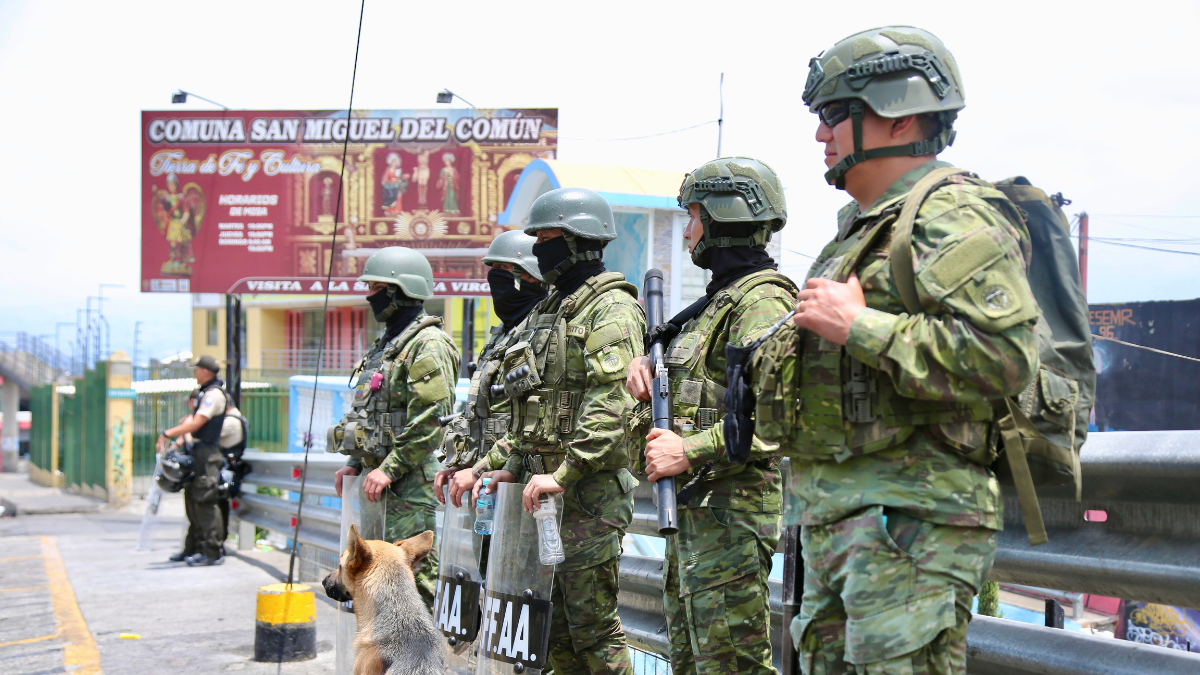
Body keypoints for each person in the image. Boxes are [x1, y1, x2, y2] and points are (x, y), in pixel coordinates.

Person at [768, 26, 1039, 674]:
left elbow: (1004, 355)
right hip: (840, 522)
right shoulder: (862, 230)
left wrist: (861, 326)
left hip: (910, 526)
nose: (820, 135)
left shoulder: (953, 212)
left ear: (900, 116)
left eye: (835, 114)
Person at [626, 157, 795, 675]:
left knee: (732, 668)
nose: (688, 235)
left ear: (723, 216)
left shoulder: (762, 302)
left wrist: (689, 450)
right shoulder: (712, 306)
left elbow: (777, 417)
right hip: (699, 520)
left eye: (694, 219)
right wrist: (645, 382)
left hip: (730, 521)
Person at [474, 187, 642, 674]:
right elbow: (531, 407)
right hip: (544, 494)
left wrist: (564, 473)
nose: (538, 248)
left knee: (593, 631)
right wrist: (510, 466)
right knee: (555, 636)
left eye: (546, 238)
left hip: (587, 496)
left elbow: (611, 401)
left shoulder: (610, 307)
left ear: (577, 241)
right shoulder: (550, 310)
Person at [330, 246, 459, 609]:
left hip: (407, 488)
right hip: (377, 485)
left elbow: (432, 419)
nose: (369, 294)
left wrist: (389, 468)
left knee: (413, 589)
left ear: (398, 291)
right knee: (375, 587)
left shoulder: (427, 344)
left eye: (375, 286)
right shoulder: (386, 346)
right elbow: (369, 412)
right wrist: (356, 463)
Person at [434, 229, 548, 509]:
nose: (495, 278)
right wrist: (464, 463)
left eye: (504, 269)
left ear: (530, 275)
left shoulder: (541, 333)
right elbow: (483, 412)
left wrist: (480, 469)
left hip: (517, 483)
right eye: (493, 269)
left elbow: (533, 420)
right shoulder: (504, 334)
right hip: (485, 483)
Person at [156, 355, 246, 566]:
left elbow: (197, 423)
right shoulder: (207, 393)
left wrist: (168, 433)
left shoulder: (214, 394)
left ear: (205, 371)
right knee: (195, 500)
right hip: (200, 452)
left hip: (208, 453)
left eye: (196, 369)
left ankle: (212, 551)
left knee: (205, 500)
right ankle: (194, 548)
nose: (194, 373)